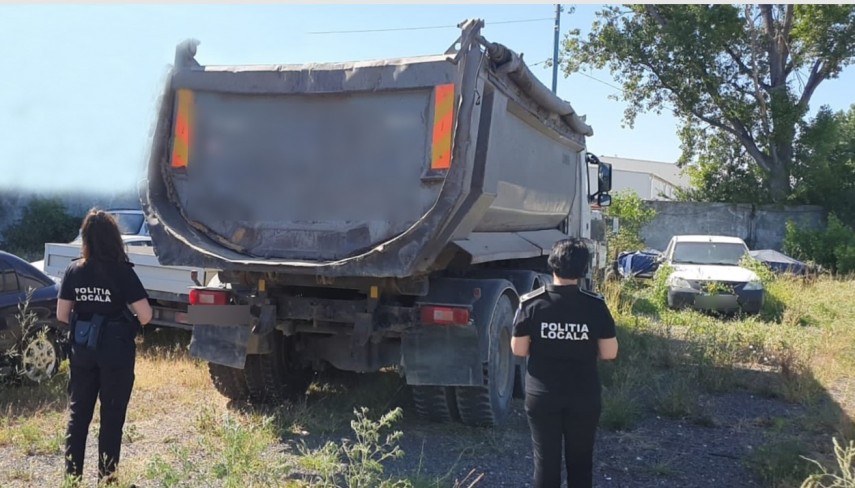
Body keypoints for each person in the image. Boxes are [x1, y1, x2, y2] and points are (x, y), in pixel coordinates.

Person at [511, 238, 619, 488]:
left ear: (552, 265)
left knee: (545, 463)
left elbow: (518, 349)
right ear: (584, 269)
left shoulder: (531, 303)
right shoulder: (595, 305)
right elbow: (610, 352)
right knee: (580, 462)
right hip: (583, 395)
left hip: (542, 395)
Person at [57, 209, 152, 484]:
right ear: (114, 239)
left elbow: (63, 315)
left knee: (78, 416)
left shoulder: (74, 270)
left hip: (83, 350)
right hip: (116, 353)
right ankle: (107, 480)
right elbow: (145, 316)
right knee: (111, 418)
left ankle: (72, 478)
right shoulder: (122, 272)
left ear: (85, 239)